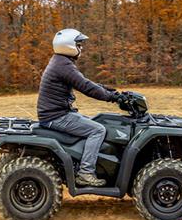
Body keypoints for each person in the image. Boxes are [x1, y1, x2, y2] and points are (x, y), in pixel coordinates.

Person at [37, 28, 121, 187]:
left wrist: (111, 91)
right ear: (68, 46)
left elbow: (85, 82)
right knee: (98, 130)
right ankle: (86, 172)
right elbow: (86, 87)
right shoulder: (63, 65)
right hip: (56, 117)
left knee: (98, 122)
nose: (81, 48)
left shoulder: (60, 62)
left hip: (57, 113)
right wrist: (111, 97)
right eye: (79, 44)